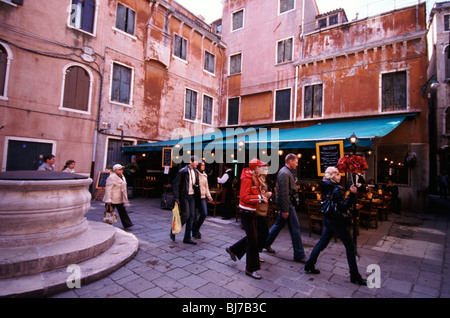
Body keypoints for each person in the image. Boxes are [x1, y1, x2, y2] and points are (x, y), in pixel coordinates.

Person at [304, 166, 367, 286]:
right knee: (350, 246)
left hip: (328, 219)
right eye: (338, 174)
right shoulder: (336, 189)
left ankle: (309, 264)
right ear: (333, 176)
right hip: (337, 221)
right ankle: (355, 276)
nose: (340, 176)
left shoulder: (325, 186)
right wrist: (352, 195)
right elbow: (343, 207)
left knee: (322, 242)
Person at [226, 158, 269, 279]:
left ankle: (233, 249)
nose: (261, 168)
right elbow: (244, 197)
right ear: (254, 168)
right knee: (253, 241)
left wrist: (260, 195)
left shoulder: (253, 176)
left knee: (253, 237)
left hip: (251, 211)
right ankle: (251, 269)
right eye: (259, 167)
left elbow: (252, 193)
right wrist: (259, 198)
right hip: (246, 211)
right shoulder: (247, 178)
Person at [264, 153, 306, 263]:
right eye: (296, 162)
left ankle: (266, 243)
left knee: (279, 225)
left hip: (288, 204)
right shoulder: (284, 173)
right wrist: (286, 209)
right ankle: (299, 254)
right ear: (290, 161)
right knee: (295, 228)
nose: (297, 164)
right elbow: (283, 193)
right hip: (287, 205)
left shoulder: (287, 172)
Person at [171, 155, 201, 245]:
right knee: (186, 216)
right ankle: (173, 230)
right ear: (191, 162)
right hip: (184, 196)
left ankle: (187, 238)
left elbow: (196, 184)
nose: (197, 163)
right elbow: (176, 185)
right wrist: (176, 198)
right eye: (195, 162)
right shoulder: (183, 171)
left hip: (192, 197)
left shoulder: (196, 172)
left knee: (192, 217)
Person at [103, 164, 134, 229]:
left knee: (122, 211)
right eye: (120, 169)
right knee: (109, 211)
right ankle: (107, 224)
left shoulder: (122, 176)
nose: (122, 170)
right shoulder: (111, 177)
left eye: (122, 169)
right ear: (115, 170)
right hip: (112, 198)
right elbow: (108, 189)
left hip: (120, 198)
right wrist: (108, 199)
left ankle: (127, 223)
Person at [192, 160, 213, 239]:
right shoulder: (195, 174)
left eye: (204, 165)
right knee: (194, 216)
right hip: (196, 197)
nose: (204, 166)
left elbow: (206, 187)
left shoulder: (205, 175)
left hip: (203, 197)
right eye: (202, 165)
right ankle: (195, 232)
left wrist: (209, 196)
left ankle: (195, 228)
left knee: (204, 213)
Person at [257, 167, 272, 263]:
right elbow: (258, 194)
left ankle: (256, 253)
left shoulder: (263, 179)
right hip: (258, 209)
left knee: (260, 232)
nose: (267, 171)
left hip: (263, 208)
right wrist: (267, 194)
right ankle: (256, 252)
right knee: (263, 232)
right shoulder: (258, 180)